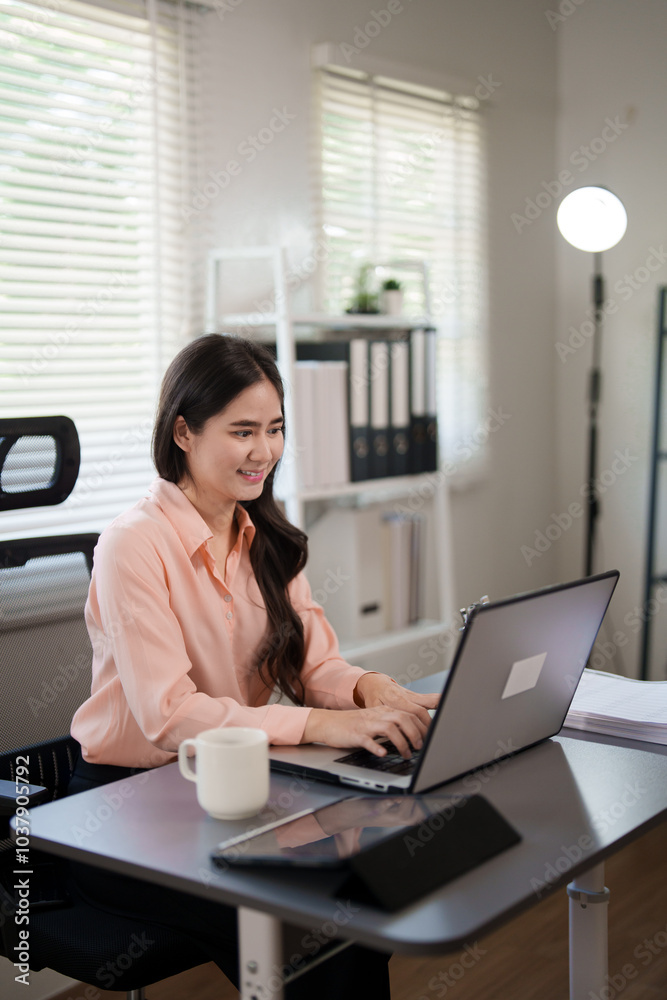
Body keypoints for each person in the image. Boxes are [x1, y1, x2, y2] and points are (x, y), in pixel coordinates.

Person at [69, 333, 439, 998]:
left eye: (274, 429)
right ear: (183, 432)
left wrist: (372, 689)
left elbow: (314, 664)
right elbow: (168, 717)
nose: (263, 451)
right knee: (315, 928)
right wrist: (322, 728)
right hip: (125, 809)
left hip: (232, 789)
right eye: (242, 431)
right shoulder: (134, 542)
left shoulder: (264, 533)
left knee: (351, 906)